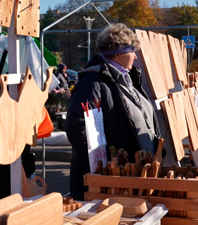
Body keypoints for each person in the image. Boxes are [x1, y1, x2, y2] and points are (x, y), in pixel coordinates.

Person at [65, 24, 162, 200]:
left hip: (131, 176)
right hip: (111, 182)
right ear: (118, 53)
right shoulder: (92, 82)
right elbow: (76, 128)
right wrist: (110, 162)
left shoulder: (128, 78)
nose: (135, 56)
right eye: (132, 51)